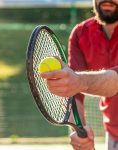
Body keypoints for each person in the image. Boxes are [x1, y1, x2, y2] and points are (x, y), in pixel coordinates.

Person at [41, 0, 118, 149]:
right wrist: (80, 132)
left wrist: (79, 81)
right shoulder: (81, 33)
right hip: (114, 134)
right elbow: (74, 94)